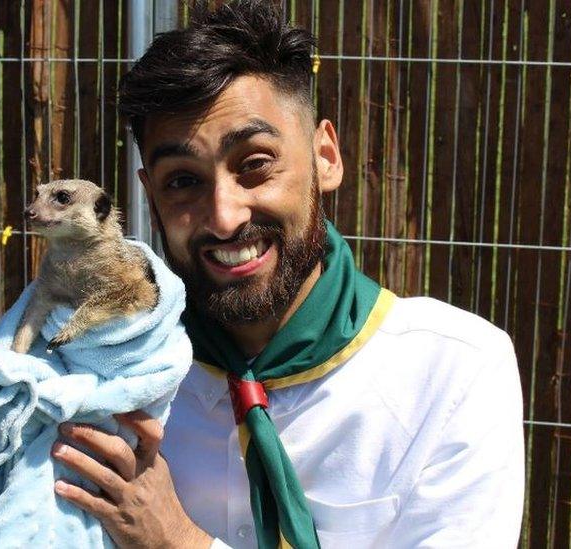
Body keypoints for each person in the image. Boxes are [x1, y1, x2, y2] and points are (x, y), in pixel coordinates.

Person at [48, 1, 525, 547]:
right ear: (150, 196)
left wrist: (176, 540)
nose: (225, 217)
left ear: (326, 157)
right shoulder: (107, 371)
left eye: (254, 164)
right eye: (183, 181)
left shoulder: (453, 371)